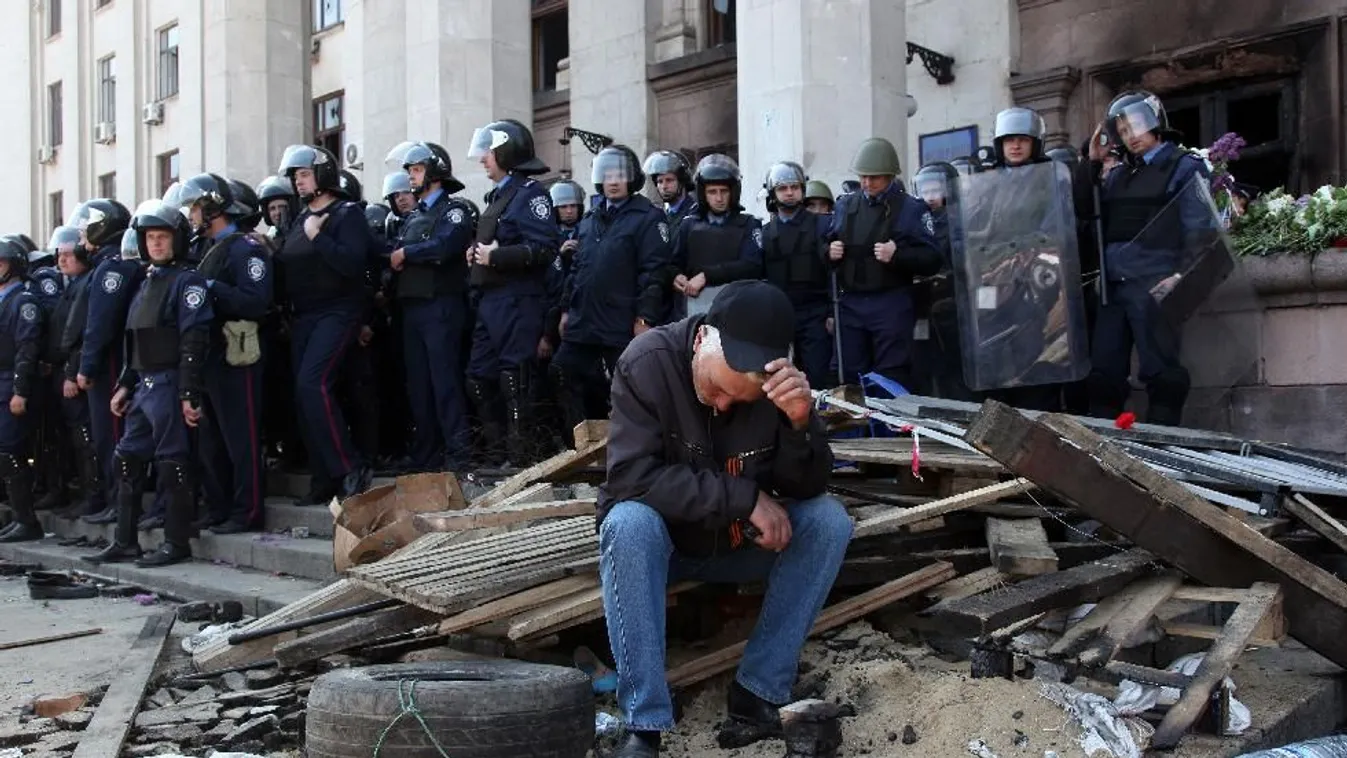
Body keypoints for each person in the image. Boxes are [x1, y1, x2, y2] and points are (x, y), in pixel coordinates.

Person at [599, 280, 851, 758]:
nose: (722, 405)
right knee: (627, 524)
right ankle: (644, 725)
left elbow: (807, 487)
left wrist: (800, 425)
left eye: (739, 401)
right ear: (701, 339)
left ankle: (758, 693)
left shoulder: (777, 387)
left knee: (828, 521)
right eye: (717, 390)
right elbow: (630, 476)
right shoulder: (647, 362)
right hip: (663, 550)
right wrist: (743, 498)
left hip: (737, 545)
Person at [84, 201, 212, 567]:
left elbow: (193, 339)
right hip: (143, 384)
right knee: (126, 457)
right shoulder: (147, 281)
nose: (155, 243)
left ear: (177, 239)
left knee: (172, 461)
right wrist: (126, 384)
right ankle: (125, 541)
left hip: (170, 381)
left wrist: (188, 392)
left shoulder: (187, 281)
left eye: (163, 237)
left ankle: (176, 541)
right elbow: (135, 338)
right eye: (150, 237)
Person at [1086, 91, 1210, 426]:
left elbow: (1199, 228)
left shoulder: (1183, 166)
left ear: (1156, 123)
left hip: (1154, 282)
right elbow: (1090, 216)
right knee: (1103, 377)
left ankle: (1163, 447)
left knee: (1163, 375)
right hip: (1114, 287)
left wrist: (1182, 275)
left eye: (1136, 126)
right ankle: (1100, 447)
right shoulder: (1119, 174)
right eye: (1123, 131)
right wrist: (1093, 163)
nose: (1131, 136)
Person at [275, 144, 376, 503]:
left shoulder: (346, 214)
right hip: (303, 315)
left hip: (337, 311)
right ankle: (324, 475)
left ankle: (350, 467)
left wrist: (318, 237)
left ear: (322, 175)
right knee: (303, 396)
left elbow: (353, 264)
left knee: (313, 384)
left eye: (304, 174)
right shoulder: (299, 218)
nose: (298, 182)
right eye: (295, 177)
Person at [553, 145, 670, 438]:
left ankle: (633, 447)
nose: (614, 181)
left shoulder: (648, 217)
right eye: (607, 176)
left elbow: (654, 272)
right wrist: (566, 309)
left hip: (621, 321)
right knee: (562, 371)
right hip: (584, 320)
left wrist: (645, 317)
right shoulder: (590, 219)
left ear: (631, 178)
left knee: (628, 388)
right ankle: (582, 445)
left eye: (620, 175)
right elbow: (578, 268)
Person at [178, 174, 273, 533]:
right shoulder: (205, 248)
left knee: (240, 437)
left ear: (213, 208)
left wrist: (211, 286)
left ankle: (247, 510)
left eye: (195, 208)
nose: (191, 215)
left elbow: (256, 301)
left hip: (238, 355)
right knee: (212, 439)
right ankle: (219, 507)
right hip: (210, 354)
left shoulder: (245, 248)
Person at [464, 119, 560, 468]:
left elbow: (545, 248)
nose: (482, 159)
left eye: (488, 152)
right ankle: (496, 454)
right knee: (478, 377)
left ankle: (521, 461)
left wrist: (497, 256)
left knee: (514, 380)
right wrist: (477, 253)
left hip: (518, 301)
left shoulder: (531, 194)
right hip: (491, 300)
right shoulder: (499, 195)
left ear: (506, 152)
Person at [386, 141, 475, 473]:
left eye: (417, 170)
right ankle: (426, 453)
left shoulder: (453, 210)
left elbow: (445, 246)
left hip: (441, 306)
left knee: (444, 381)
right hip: (413, 308)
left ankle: (458, 453)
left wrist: (408, 254)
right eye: (410, 170)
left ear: (435, 173)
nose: (411, 177)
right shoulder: (414, 217)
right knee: (419, 385)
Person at [827, 137, 943, 389]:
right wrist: (829, 251)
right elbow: (825, 245)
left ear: (890, 176)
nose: (867, 183)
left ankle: (888, 416)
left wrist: (898, 255)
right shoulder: (845, 205)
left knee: (892, 374)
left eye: (875, 178)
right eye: (863, 177)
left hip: (891, 302)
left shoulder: (911, 209)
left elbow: (932, 258)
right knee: (848, 373)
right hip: (851, 302)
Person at [760, 161, 832, 388]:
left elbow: (833, 273)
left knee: (817, 378)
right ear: (773, 193)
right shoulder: (765, 233)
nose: (789, 193)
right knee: (781, 377)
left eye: (794, 187)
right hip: (780, 314)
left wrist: (831, 313)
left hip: (815, 314)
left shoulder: (822, 225)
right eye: (782, 188)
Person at [668, 154, 763, 318]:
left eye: (724, 191)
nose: (719, 198)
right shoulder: (688, 225)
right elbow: (675, 262)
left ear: (733, 192)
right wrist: (676, 276)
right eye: (712, 192)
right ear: (703, 194)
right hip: (695, 310)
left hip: (736, 309)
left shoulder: (749, 224)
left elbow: (753, 266)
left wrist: (707, 275)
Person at [0, 238, 45, 543]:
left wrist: (20, 389)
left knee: (10, 451)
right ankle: (17, 518)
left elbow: (27, 349)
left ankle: (26, 520)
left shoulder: (23, 302)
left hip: (10, 383)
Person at [643, 150, 698, 224]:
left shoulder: (694, 213)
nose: (664, 186)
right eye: (660, 181)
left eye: (669, 180)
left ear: (682, 181)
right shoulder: (657, 214)